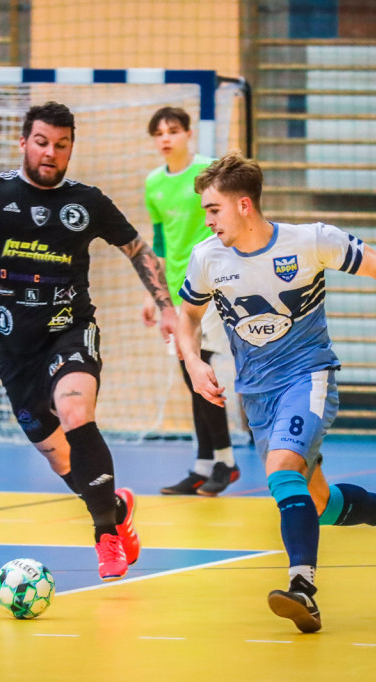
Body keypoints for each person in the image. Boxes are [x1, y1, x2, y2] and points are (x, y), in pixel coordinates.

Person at [176, 152, 376, 633]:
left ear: (243, 205)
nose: (208, 220)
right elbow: (188, 317)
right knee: (318, 503)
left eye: (213, 209)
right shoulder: (206, 259)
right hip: (256, 395)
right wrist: (193, 361)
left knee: (281, 470)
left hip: (308, 377)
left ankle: (303, 589)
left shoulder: (309, 241)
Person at [0, 101, 176, 582]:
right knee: (56, 454)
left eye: (61, 145)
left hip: (70, 327)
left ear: (70, 149)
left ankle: (105, 538)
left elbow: (138, 249)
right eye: (41, 142)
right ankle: (114, 510)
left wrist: (165, 307)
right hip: (15, 350)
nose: (50, 153)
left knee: (76, 411)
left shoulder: (88, 201)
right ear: (24, 142)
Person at [142, 107, 237, 496]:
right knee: (189, 375)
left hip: (211, 286)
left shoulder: (209, 172)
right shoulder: (153, 184)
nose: (166, 138)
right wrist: (156, 295)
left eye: (174, 130)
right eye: (159, 132)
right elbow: (161, 243)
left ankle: (226, 461)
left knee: (204, 370)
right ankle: (203, 464)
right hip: (179, 291)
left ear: (188, 134)